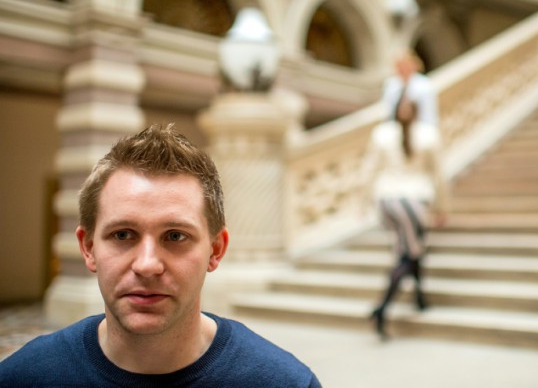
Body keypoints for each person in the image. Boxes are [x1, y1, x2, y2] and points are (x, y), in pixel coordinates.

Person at [0, 124, 321, 387]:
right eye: (123, 235)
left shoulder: (284, 383)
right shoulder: (23, 379)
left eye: (175, 236)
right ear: (88, 247)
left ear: (216, 249)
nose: (147, 264)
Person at [369, 51, 446, 340]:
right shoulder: (424, 135)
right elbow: (438, 176)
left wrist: (364, 201)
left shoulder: (384, 134)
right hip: (411, 200)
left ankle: (420, 298)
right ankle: (382, 308)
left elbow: (368, 171)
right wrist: (442, 205)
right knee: (408, 254)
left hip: (388, 200)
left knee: (411, 249)